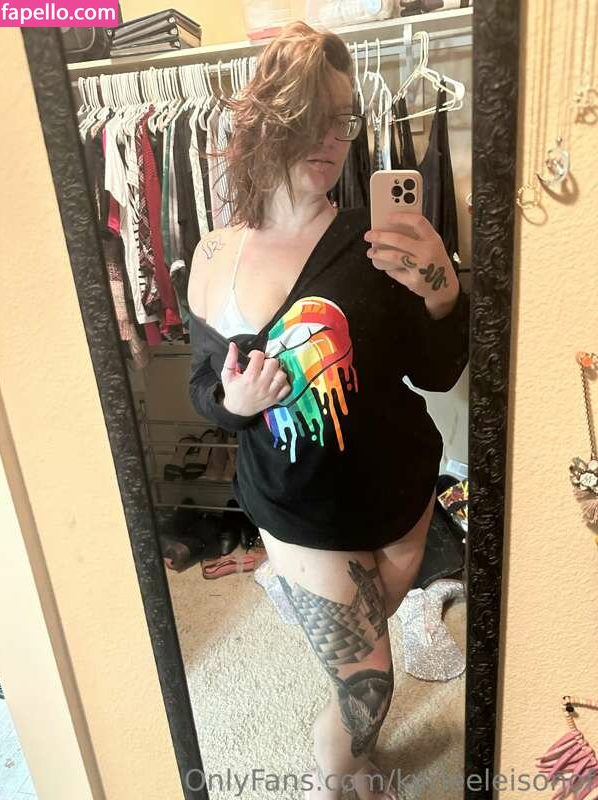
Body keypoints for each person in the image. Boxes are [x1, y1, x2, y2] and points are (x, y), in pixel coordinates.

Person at [188, 20, 469, 800]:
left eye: (343, 120)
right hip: (300, 504)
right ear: (267, 120)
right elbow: (206, 385)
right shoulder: (216, 253)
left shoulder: (377, 243)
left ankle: (350, 753)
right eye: (312, 117)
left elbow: (438, 369)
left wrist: (443, 289)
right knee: (368, 687)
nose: (331, 139)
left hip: (402, 493)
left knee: (362, 644)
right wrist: (235, 402)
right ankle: (334, 775)